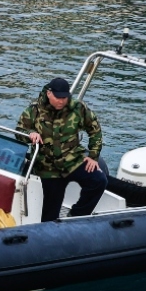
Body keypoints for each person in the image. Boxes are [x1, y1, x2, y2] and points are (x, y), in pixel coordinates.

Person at [16, 77, 107, 222]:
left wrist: (93, 156)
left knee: (99, 180)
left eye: (65, 98)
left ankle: (77, 215)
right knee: (50, 214)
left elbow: (94, 130)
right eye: (58, 97)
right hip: (48, 167)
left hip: (73, 161)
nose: (61, 101)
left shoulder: (78, 108)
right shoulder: (34, 110)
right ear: (49, 94)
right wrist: (30, 135)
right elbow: (19, 132)